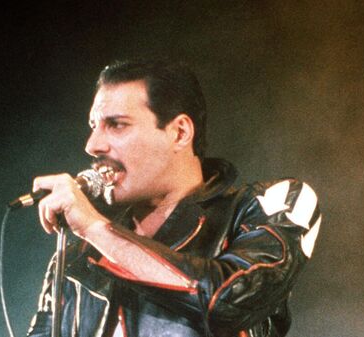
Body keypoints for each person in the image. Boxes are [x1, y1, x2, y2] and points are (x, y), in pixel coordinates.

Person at [26, 59, 322, 337]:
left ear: (180, 132)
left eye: (116, 125)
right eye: (94, 126)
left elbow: (229, 300)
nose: (92, 145)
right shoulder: (78, 256)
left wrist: (94, 228)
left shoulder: (272, 203)